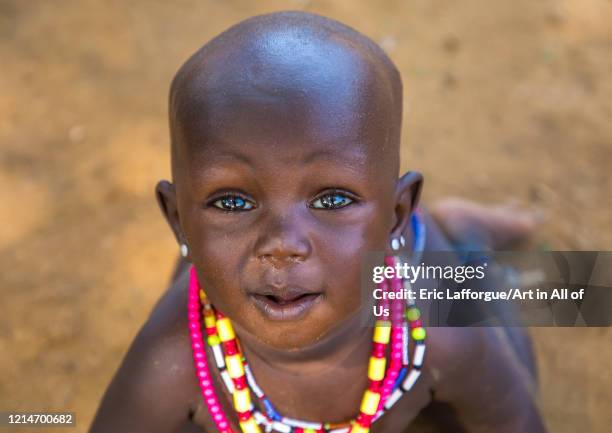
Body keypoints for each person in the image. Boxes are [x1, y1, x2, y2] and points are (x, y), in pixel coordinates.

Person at [89, 11, 546, 433]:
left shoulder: (437, 334)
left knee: (502, 321)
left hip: (423, 271)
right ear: (177, 220)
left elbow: (518, 421)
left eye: (332, 198)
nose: (282, 244)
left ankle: (465, 232)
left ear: (396, 213)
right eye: (231, 202)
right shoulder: (172, 359)